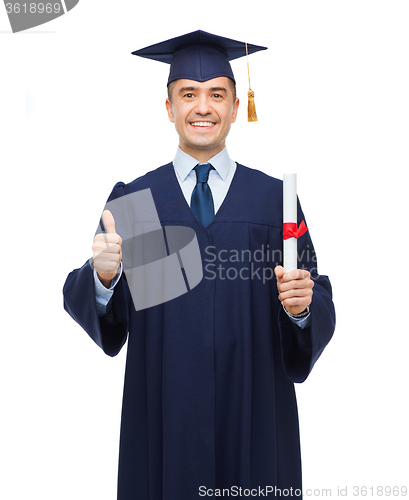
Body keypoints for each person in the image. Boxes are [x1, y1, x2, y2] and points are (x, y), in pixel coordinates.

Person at [63, 30, 335, 500]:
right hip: (167, 421)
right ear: (169, 107)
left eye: (217, 95)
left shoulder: (276, 202)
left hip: (254, 417)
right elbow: (110, 328)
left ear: (234, 107)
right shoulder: (138, 201)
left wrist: (301, 309)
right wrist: (104, 280)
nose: (202, 107)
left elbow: (314, 297)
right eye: (188, 94)